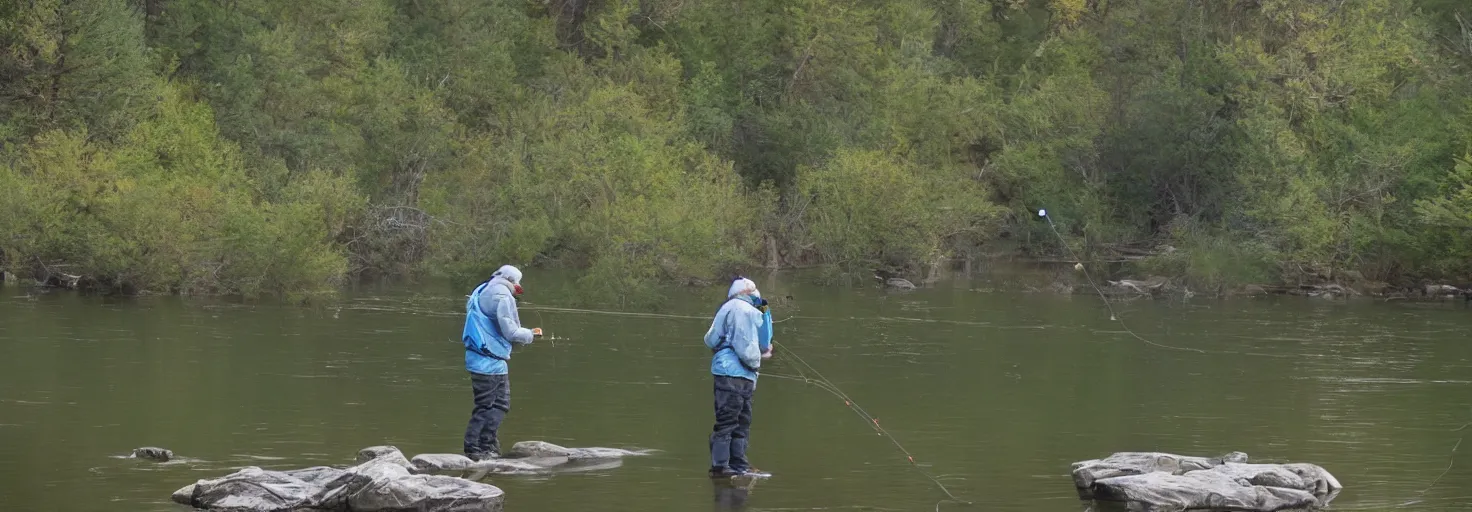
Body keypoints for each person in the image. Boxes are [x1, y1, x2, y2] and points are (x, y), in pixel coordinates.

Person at [462, 265, 541, 461]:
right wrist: (531, 334)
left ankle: (485, 446)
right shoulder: (503, 296)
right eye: (518, 281)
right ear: (511, 280)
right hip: (489, 361)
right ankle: (476, 449)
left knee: (492, 404)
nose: (519, 285)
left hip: (481, 358)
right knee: (492, 405)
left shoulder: (482, 289)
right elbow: (511, 332)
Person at [704, 277, 774, 477]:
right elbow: (765, 343)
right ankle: (731, 466)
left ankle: (727, 466)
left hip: (728, 373)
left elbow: (710, 340)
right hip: (744, 375)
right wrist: (765, 309)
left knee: (731, 421)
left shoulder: (727, 308)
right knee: (739, 422)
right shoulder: (754, 310)